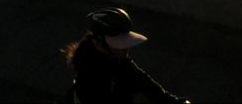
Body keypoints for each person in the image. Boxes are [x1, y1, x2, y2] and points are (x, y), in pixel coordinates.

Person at [63, 7, 191, 103]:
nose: (126, 49)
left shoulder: (118, 60)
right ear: (98, 43)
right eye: (118, 44)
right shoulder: (90, 77)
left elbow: (144, 82)